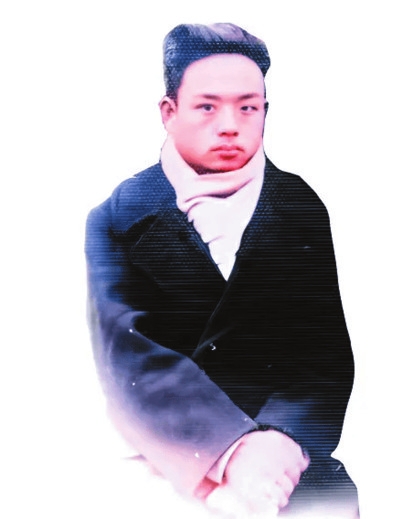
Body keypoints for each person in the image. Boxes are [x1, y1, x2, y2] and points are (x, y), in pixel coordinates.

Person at [85, 23, 359, 517]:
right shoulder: (117, 215)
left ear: (265, 112)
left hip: (285, 463)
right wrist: (231, 451)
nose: (230, 125)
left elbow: (324, 356)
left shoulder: (298, 206)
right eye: (207, 107)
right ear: (169, 113)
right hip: (169, 455)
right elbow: (127, 363)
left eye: (247, 107)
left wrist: (281, 442)